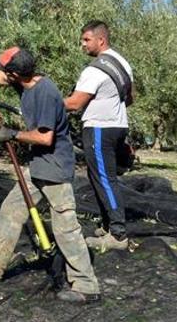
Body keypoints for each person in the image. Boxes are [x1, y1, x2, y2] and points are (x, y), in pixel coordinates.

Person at [0, 40, 101, 303]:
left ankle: (86, 285)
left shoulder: (46, 93)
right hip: (38, 165)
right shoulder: (23, 80)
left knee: (66, 228)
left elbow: (45, 138)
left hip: (55, 167)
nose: (4, 73)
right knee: (12, 210)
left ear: (17, 73)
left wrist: (14, 134)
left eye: (7, 68)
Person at [64, 20, 134, 251]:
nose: (82, 45)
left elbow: (74, 103)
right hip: (117, 125)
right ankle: (107, 225)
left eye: (87, 40)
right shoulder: (122, 63)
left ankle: (118, 235)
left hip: (99, 129)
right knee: (100, 177)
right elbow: (130, 97)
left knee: (104, 179)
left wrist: (49, 102)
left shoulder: (94, 70)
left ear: (100, 40)